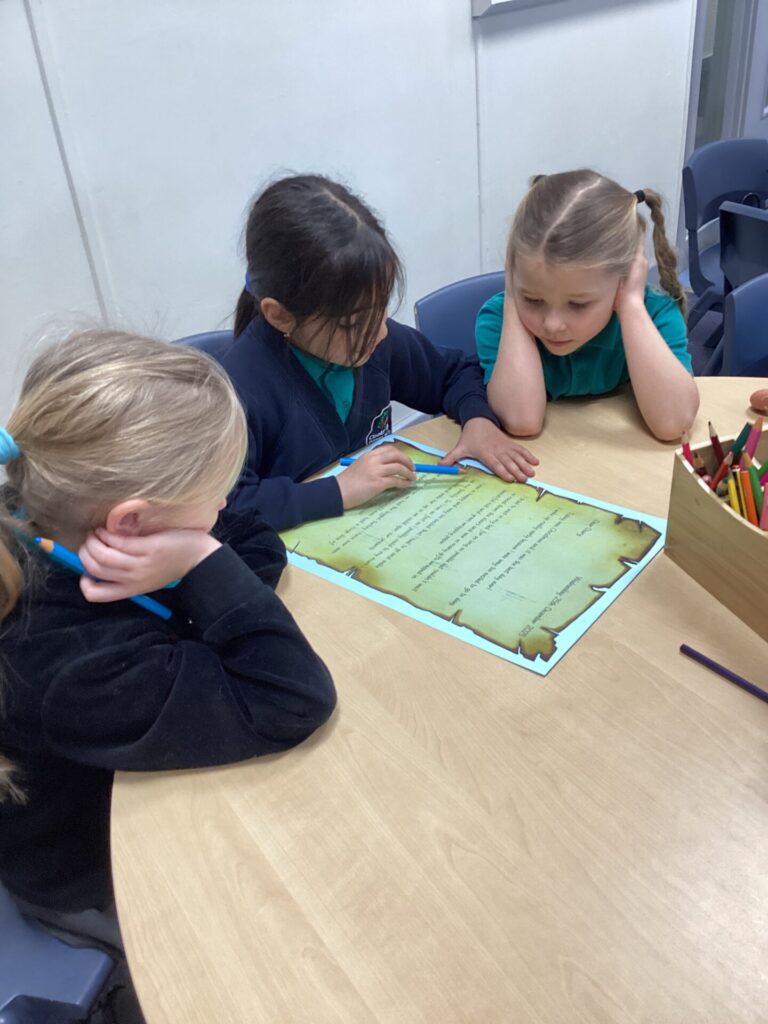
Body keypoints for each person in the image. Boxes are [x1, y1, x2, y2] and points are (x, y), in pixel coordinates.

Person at [0, 328, 336, 962]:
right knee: (268, 940)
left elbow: (255, 537)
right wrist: (200, 562)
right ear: (131, 523)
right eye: (213, 498)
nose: (224, 508)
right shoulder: (73, 667)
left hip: (119, 773)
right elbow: (291, 697)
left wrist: (192, 554)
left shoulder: (49, 506)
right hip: (89, 873)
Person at [207, 174, 538, 531]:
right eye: (352, 323)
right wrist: (337, 491)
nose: (380, 332)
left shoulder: (374, 343)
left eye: (382, 308)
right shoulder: (239, 391)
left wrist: (478, 421)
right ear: (280, 315)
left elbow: (455, 373)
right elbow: (221, 508)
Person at [475, 170, 699, 440]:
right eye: (533, 299)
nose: (552, 325)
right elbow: (522, 420)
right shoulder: (498, 319)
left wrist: (631, 305)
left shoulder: (655, 314)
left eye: (578, 304)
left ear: (625, 277)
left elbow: (674, 422)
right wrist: (513, 296)